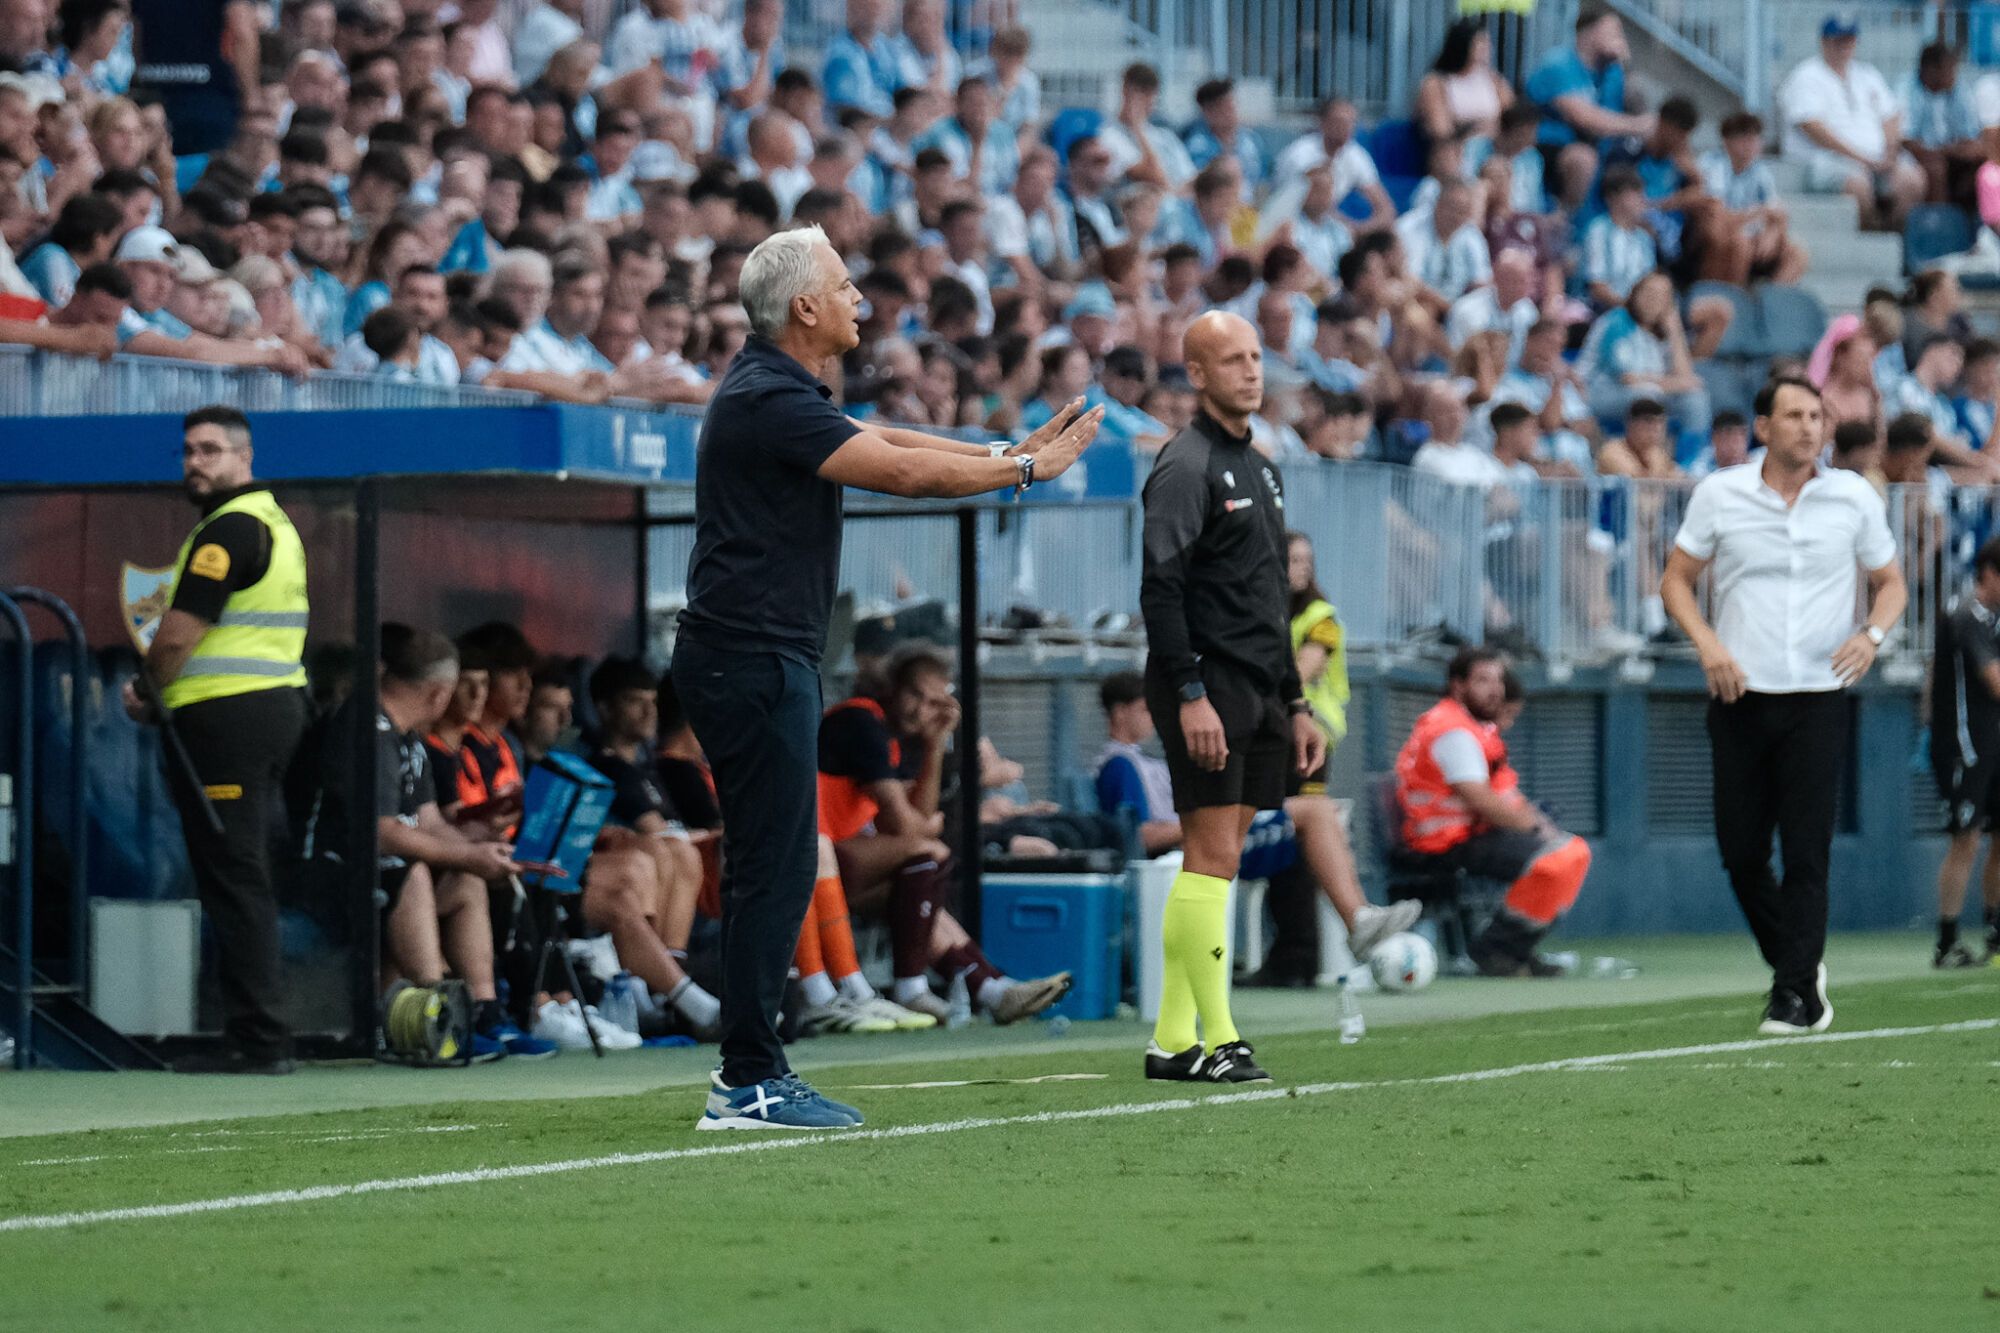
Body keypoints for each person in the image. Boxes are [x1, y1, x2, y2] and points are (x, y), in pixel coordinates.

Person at [670, 223, 1101, 1131]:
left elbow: (893, 436)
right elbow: (899, 470)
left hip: (758, 654)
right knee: (775, 866)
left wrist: (1001, 455)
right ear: (803, 308)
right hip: (748, 656)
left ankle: (751, 1068)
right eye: (844, 285)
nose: (859, 300)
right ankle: (746, 1076)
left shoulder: (779, 388)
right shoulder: (764, 394)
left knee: (777, 863)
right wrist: (1025, 468)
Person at [1661, 375, 1907, 1035]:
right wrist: (1708, 645)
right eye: (1793, 415)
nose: (1808, 425)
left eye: (1817, 415)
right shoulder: (1721, 492)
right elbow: (1676, 579)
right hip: (1739, 691)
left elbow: (1890, 583)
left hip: (1819, 698)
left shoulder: (1852, 497)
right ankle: (1796, 961)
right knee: (1741, 852)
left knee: (1806, 851)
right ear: (1763, 426)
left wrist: (1872, 635)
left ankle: (1795, 994)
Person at [1137, 310, 1324, 1086]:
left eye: (1255, 357)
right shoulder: (1184, 465)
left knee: (1221, 860)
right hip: (1208, 684)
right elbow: (1162, 587)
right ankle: (1219, 1037)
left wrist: (1298, 701)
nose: (1251, 370)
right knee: (1212, 857)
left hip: (1259, 687)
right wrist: (1189, 692)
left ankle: (1171, 1039)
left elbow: (1272, 598)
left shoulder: (1266, 464)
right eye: (1232, 359)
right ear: (1198, 375)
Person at [120, 406, 308, 1075]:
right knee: (240, 871)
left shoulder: (226, 531)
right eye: (188, 450)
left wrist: (147, 690)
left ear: (243, 456)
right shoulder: (270, 521)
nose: (194, 461)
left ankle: (259, 1040)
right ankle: (254, 1033)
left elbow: (177, 633)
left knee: (235, 875)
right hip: (266, 709)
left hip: (229, 716)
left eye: (209, 450)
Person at [1394, 647, 1594, 975]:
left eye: (1498, 680)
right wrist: (1532, 828)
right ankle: (1496, 950)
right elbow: (1481, 799)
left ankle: (1512, 951)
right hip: (1443, 844)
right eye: (1483, 680)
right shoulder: (1452, 729)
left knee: (1571, 853)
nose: (1496, 689)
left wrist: (1537, 822)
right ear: (1458, 686)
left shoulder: (1475, 729)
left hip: (1469, 837)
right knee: (1557, 859)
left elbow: (1504, 793)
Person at [1778, 15, 1924, 229]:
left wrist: (1890, 151)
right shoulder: (1807, 75)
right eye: (1838, 40)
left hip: (1877, 156)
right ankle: (1870, 235)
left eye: (1849, 40)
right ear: (1824, 42)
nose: (1844, 46)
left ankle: (1891, 236)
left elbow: (1891, 116)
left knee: (1912, 180)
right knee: (1857, 186)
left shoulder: (1867, 74)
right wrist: (1862, 159)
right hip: (1829, 157)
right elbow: (1814, 128)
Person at [1929, 538, 2000, 967]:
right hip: (1965, 745)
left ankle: (1995, 931)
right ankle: (1947, 941)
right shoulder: (1963, 615)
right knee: (1966, 839)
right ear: (1989, 572)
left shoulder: (1993, 619)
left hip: (1994, 743)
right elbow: (1994, 681)